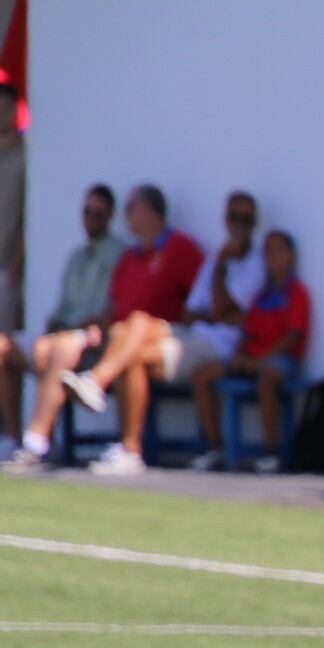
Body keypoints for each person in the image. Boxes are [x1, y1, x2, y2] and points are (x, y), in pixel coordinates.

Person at [59, 190, 262, 475]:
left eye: (245, 218)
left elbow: (220, 309)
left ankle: (126, 443)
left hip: (217, 346)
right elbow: (193, 311)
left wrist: (220, 275)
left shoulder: (255, 264)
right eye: (233, 216)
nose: (238, 223)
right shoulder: (215, 258)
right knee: (132, 325)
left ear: (254, 223)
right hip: (193, 333)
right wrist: (214, 310)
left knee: (133, 354)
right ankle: (98, 387)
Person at [2, 184, 201, 474]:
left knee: (130, 328)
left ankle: (41, 439)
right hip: (115, 334)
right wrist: (95, 326)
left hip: (159, 334)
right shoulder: (130, 258)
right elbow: (114, 307)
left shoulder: (180, 249)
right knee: (55, 347)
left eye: (130, 209)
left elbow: (199, 303)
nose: (126, 216)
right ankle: (27, 440)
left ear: (148, 210)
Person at [0, 183, 123, 462]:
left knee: (58, 349)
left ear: (110, 217)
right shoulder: (76, 258)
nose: (91, 218)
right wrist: (54, 325)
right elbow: (61, 308)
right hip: (63, 332)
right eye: (87, 211)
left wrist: (81, 328)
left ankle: (37, 441)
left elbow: (109, 310)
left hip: (90, 337)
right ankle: (11, 436)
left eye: (98, 214)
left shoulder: (118, 254)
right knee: (4, 346)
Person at [189, 229, 310, 473]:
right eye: (267, 252)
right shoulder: (261, 297)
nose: (272, 257)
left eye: (278, 251)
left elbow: (292, 337)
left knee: (267, 380)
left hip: (280, 362)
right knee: (201, 376)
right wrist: (239, 355)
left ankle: (271, 453)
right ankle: (215, 448)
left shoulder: (297, 293)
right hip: (251, 360)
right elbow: (247, 334)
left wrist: (264, 359)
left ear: (291, 256)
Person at [0, 83, 25, 338]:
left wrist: (16, 262)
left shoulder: (25, 155)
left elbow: (28, 213)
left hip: (7, 264)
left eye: (6, 108)